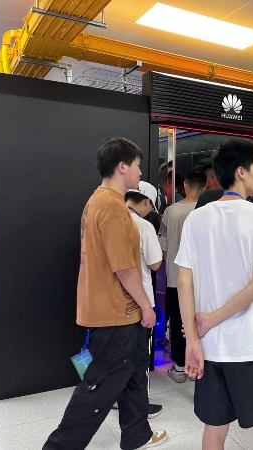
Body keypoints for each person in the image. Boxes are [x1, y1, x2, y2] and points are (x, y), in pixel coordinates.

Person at [43, 138, 167, 450]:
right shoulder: (112, 207)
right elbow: (124, 268)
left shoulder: (100, 201)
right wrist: (147, 307)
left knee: (133, 373)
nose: (140, 172)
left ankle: (137, 434)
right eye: (137, 165)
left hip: (118, 311)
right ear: (122, 166)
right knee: (98, 388)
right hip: (117, 313)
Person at [175, 138, 253, 450]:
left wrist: (193, 340)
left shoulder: (197, 218)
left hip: (212, 346)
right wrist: (210, 319)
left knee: (215, 428)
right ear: (240, 171)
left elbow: (184, 283)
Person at [161, 168, 207, 383]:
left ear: (185, 185)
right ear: (204, 187)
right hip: (202, 279)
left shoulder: (171, 212)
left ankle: (180, 367)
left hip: (175, 276)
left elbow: (164, 244)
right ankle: (199, 366)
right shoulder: (207, 211)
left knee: (178, 321)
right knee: (200, 322)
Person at [123, 181, 164, 416]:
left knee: (120, 355)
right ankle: (140, 405)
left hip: (115, 301)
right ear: (147, 201)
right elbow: (155, 263)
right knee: (140, 357)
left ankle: (118, 398)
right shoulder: (144, 226)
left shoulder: (111, 219)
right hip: (141, 302)